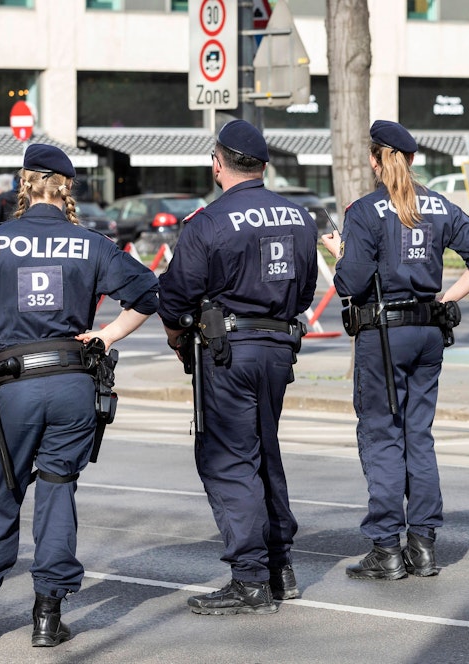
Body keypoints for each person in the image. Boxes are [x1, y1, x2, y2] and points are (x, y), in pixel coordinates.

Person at [0, 144, 159, 646]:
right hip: (71, 383)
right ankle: (47, 616)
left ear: (24, 184)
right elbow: (147, 294)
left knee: (1, 492)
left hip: (13, 383)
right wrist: (104, 337)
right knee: (58, 490)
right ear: (67, 188)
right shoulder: (92, 243)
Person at [320, 120, 469, 580]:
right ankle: (423, 545)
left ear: (376, 160)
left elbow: (351, 283)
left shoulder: (365, 210)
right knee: (418, 435)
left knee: (382, 436)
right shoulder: (439, 205)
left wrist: (339, 252)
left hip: (383, 335)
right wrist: (446, 299)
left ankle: (386, 548)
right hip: (428, 332)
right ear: (412, 159)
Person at [157, 119, 318, 615]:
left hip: (227, 351)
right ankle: (279, 568)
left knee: (230, 460)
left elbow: (175, 298)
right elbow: (307, 287)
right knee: (264, 451)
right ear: (263, 165)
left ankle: (249, 578)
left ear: (217, 163)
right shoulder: (299, 216)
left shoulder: (208, 221)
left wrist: (179, 339)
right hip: (277, 347)